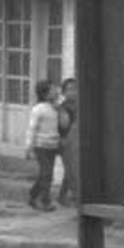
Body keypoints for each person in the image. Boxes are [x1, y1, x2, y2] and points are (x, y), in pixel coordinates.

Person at [25, 79, 61, 210]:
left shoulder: (55, 108)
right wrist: (28, 147)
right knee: (46, 174)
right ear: (45, 93)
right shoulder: (38, 109)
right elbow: (32, 128)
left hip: (52, 146)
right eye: (53, 90)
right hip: (40, 146)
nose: (56, 91)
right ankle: (45, 201)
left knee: (47, 174)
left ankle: (33, 195)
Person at [55, 77, 79, 206]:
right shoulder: (62, 108)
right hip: (66, 143)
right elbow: (62, 126)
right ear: (63, 92)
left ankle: (63, 196)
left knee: (72, 170)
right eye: (69, 89)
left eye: (75, 88)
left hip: (78, 144)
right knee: (70, 170)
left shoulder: (81, 106)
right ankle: (71, 196)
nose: (73, 92)